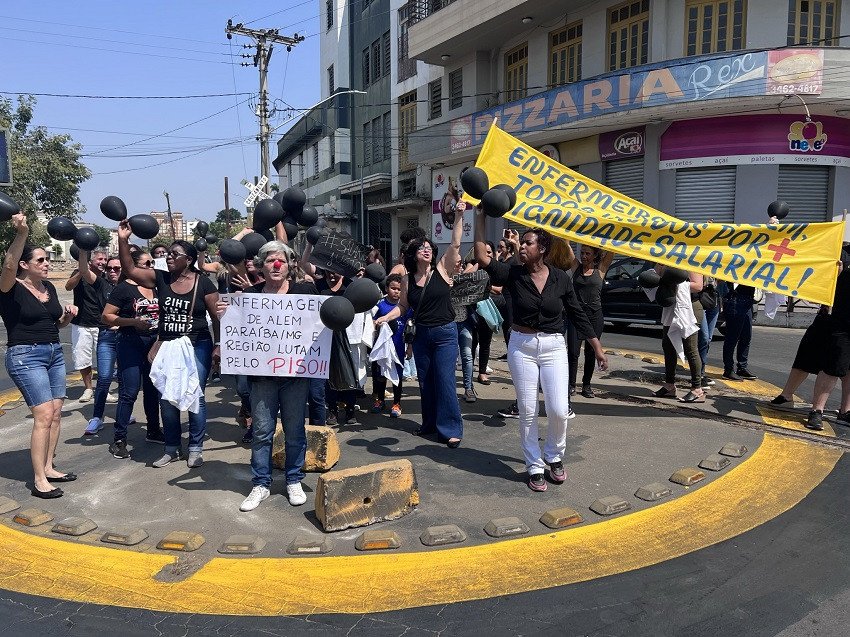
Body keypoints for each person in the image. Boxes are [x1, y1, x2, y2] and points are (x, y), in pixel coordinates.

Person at [474, 212, 607, 491]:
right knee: (528, 409)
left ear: (542, 249)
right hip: (521, 346)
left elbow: (577, 312)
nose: (522, 246)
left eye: (528, 243)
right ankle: (534, 464)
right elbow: (483, 257)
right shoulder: (513, 273)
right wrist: (480, 217)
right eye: (521, 243)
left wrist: (596, 346)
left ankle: (554, 455)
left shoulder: (560, 278)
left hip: (554, 346)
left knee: (559, 409)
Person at [217, 241, 318, 511]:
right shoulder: (249, 295)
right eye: (271, 260)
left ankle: (293, 479)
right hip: (262, 378)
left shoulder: (305, 292)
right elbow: (237, 331)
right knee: (262, 431)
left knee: (295, 430)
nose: (276, 265)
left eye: (281, 261)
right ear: (261, 266)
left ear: (289, 265)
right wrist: (224, 316)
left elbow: (320, 323)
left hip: (296, 375)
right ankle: (261, 483)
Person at [117, 223, 220, 468]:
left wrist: (219, 346)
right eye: (168, 254)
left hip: (197, 344)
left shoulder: (203, 284)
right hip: (168, 345)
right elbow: (130, 270)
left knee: (195, 395)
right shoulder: (161, 279)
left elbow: (217, 317)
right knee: (167, 396)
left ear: (190, 259)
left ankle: (195, 448)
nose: (169, 257)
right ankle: (171, 448)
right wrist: (123, 239)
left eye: (175, 254)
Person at [0, 213, 77, 498]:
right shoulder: (10, 288)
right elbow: (7, 265)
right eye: (41, 261)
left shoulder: (48, 288)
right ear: (24, 265)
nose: (47, 264)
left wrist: (67, 317)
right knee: (43, 414)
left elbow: (56, 322)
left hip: (54, 352)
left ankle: (49, 467)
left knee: (56, 414)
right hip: (25, 355)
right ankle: (39, 480)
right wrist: (21, 233)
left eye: (47, 260)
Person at [376, 206, 466, 448]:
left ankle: (450, 429)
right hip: (422, 334)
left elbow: (456, 244)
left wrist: (458, 216)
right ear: (414, 254)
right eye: (422, 248)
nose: (427, 250)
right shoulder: (406, 279)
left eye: (429, 248)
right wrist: (385, 318)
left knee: (445, 380)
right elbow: (403, 306)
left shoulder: (443, 268)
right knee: (425, 381)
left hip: (445, 332)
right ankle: (429, 425)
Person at [101, 250, 163, 458]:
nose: (151, 265)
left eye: (152, 262)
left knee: (153, 389)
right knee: (129, 391)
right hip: (130, 343)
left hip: (154, 344)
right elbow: (107, 316)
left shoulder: (156, 287)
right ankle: (119, 438)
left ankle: (154, 430)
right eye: (147, 263)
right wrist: (133, 322)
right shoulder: (124, 289)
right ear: (135, 266)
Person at [79, 252, 121, 435]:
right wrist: (82, 248)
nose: (112, 271)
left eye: (116, 268)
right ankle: (97, 417)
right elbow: (83, 270)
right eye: (109, 268)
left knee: (126, 380)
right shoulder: (101, 284)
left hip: (128, 338)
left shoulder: (131, 286)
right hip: (106, 336)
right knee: (104, 377)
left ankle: (123, 414)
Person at [565, 243, 613, 398]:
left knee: (591, 351)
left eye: (588, 254)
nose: (584, 256)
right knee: (572, 352)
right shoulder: (576, 267)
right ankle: (571, 385)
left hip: (594, 316)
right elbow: (566, 245)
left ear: (595, 255)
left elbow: (613, 249)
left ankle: (587, 385)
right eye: (582, 253)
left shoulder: (601, 269)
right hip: (576, 316)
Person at [65, 247, 112, 403]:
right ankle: (88, 388)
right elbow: (68, 286)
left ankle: (105, 389)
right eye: (99, 259)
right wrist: (81, 271)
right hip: (82, 324)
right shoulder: (79, 274)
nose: (103, 262)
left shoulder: (107, 277)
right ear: (90, 261)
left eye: (105, 259)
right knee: (83, 358)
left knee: (105, 359)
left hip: (102, 325)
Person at [652, 267, 706, 403]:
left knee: (690, 349)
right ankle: (669, 385)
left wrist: (674, 285)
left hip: (689, 308)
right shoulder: (664, 259)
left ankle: (697, 389)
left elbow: (698, 286)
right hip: (670, 308)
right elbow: (655, 276)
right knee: (668, 347)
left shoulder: (690, 260)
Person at [371, 273, 410, 417]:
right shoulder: (380, 305)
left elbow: (410, 328)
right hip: (381, 348)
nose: (396, 292)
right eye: (393, 288)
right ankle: (380, 400)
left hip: (398, 346)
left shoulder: (406, 307)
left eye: (399, 289)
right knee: (380, 375)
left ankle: (397, 403)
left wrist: (410, 347)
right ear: (387, 288)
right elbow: (371, 324)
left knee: (397, 376)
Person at [719, 281, 758, 381]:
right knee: (732, 338)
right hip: (735, 298)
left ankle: (742, 368)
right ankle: (728, 370)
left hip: (747, 299)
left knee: (746, 336)